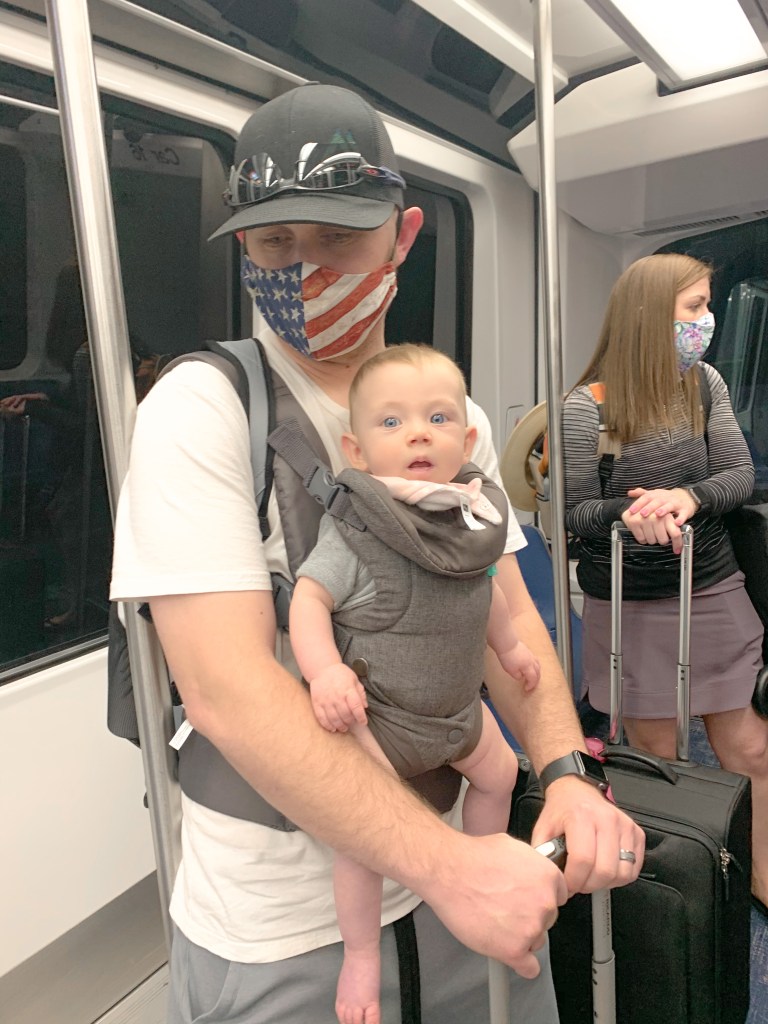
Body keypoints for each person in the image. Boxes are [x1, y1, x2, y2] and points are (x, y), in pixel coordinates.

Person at [110, 82, 643, 1024]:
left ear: (402, 237)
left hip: (470, 876)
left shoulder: (451, 416)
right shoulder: (201, 411)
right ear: (244, 247)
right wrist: (451, 870)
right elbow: (228, 690)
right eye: (275, 242)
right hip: (287, 927)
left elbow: (506, 612)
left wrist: (565, 767)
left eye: (337, 237)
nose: (304, 269)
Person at [291, 343, 540, 1023]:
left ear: (468, 440)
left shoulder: (468, 515)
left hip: (458, 712)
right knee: (362, 839)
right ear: (357, 449)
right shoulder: (358, 527)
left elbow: (484, 591)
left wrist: (511, 648)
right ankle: (361, 956)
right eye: (392, 422)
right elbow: (309, 600)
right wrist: (325, 671)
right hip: (383, 722)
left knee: (501, 776)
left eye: (437, 418)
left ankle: (481, 865)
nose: (419, 434)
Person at [562, 252, 767, 913]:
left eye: (706, 306)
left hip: (711, 586)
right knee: (663, 757)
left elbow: (737, 477)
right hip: (632, 604)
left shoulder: (704, 386)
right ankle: (699, 885)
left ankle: (760, 876)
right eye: (694, 307)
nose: (707, 321)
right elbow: (573, 511)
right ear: (650, 315)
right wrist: (627, 513)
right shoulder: (585, 407)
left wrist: (686, 497)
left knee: (752, 748)